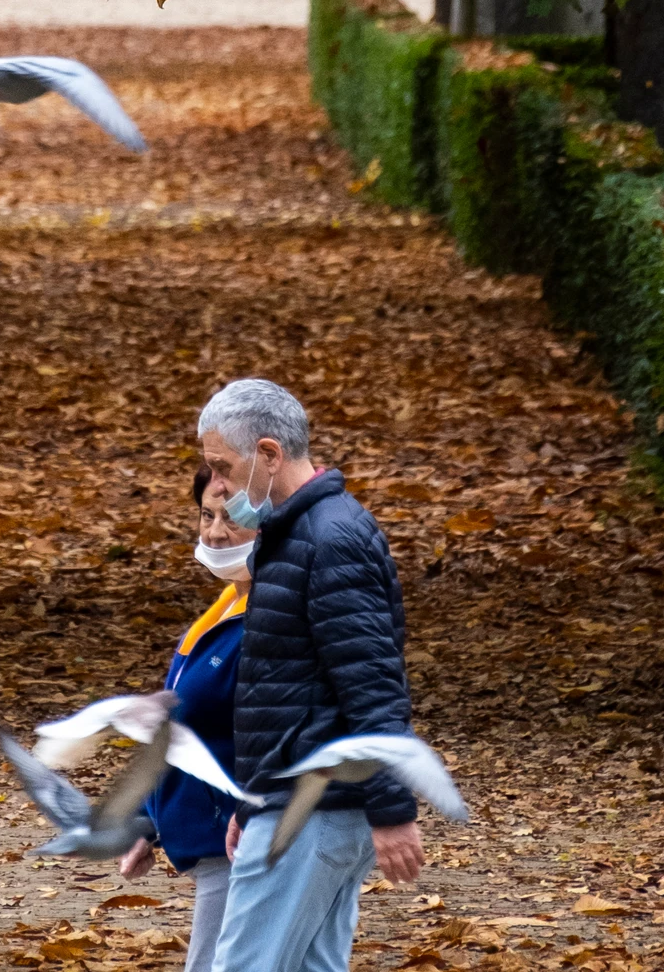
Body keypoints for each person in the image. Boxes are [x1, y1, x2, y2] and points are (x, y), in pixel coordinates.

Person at [196, 378, 423, 972]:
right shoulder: (296, 534)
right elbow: (288, 688)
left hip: (311, 812)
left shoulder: (329, 538)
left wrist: (391, 811)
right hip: (301, 806)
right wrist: (252, 806)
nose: (215, 485)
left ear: (269, 454)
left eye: (222, 467)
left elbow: (372, 685)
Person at [116, 463, 256, 972]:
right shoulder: (225, 606)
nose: (216, 532)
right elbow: (193, 731)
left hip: (241, 844)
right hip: (210, 842)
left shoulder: (269, 621)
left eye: (232, 518)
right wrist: (150, 823)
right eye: (206, 515)